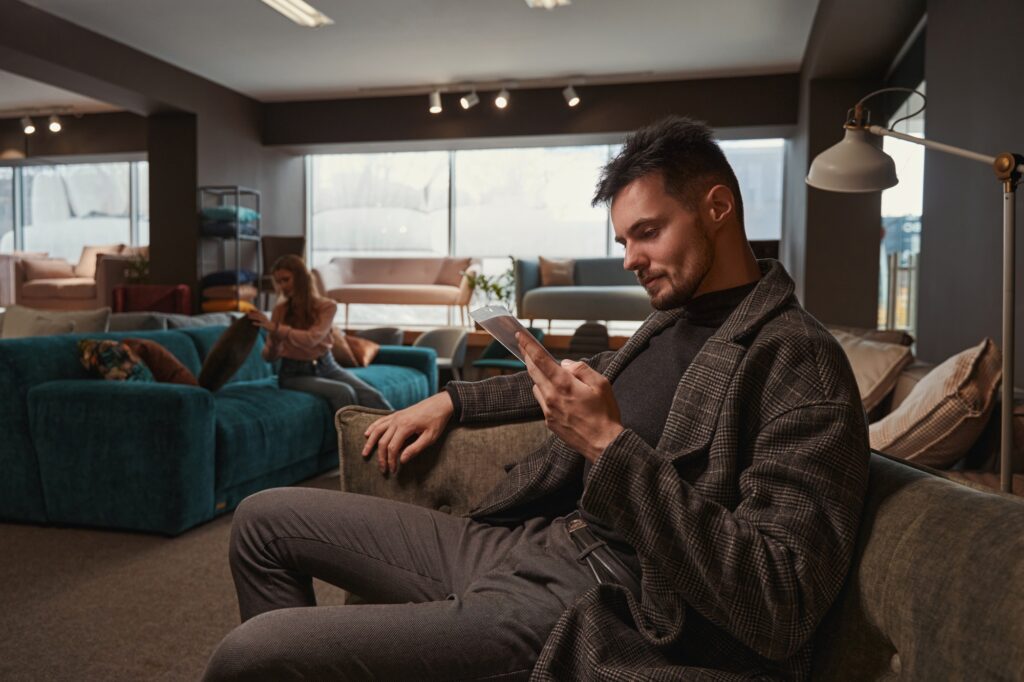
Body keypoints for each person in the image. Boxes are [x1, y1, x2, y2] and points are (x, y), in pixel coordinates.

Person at [205, 117, 870, 681]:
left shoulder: (797, 360)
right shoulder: (676, 318)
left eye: (648, 232)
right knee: (263, 522)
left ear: (718, 208)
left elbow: (778, 600)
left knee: (249, 655)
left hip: (608, 596)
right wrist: (454, 403)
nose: (630, 259)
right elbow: (571, 373)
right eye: (623, 241)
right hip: (529, 542)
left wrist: (609, 447)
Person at [247, 254, 391, 414]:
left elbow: (312, 338)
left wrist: (276, 328)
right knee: (343, 392)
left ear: (301, 278)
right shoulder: (280, 310)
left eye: (286, 280)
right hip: (293, 374)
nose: (282, 287)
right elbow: (269, 357)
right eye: (278, 282)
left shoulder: (326, 306)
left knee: (372, 396)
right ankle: (351, 439)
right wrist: (273, 339)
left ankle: (408, 437)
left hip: (328, 366)